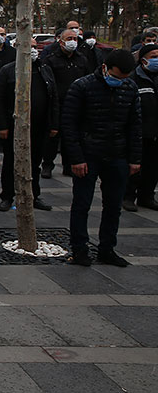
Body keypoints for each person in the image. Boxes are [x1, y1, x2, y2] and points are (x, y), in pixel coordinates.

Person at [62, 49, 141, 267]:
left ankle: (107, 248)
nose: (120, 82)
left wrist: (134, 158)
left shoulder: (130, 88)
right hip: (88, 154)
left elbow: (135, 126)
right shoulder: (82, 86)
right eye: (116, 77)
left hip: (118, 154)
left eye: (124, 78)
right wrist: (76, 158)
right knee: (81, 204)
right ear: (105, 68)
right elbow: (69, 125)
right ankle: (79, 249)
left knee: (113, 205)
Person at [0, 39, 59, 212]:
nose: (32, 50)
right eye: (28, 46)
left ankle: (33, 195)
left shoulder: (44, 70)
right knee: (10, 162)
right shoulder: (7, 71)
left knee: (35, 162)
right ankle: (7, 196)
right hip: (13, 125)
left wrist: (53, 124)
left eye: (35, 47)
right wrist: (1, 125)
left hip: (38, 126)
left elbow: (53, 98)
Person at [42, 29, 92, 178]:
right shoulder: (51, 59)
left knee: (71, 136)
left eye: (75, 39)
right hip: (57, 103)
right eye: (69, 38)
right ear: (61, 41)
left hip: (76, 103)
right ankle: (47, 165)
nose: (72, 41)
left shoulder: (82, 59)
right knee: (53, 136)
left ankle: (68, 165)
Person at [127, 44, 158, 211]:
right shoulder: (134, 78)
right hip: (139, 132)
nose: (156, 60)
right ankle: (129, 196)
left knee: (153, 168)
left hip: (155, 133)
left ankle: (147, 196)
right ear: (143, 59)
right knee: (135, 167)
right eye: (153, 57)